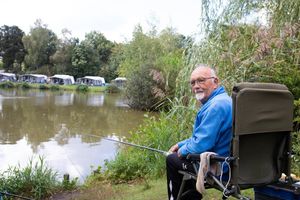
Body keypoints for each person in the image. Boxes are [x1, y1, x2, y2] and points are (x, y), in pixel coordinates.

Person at [166, 64, 232, 200]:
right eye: (193, 82)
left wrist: (181, 151)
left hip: (221, 168)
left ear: (215, 82)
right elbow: (203, 136)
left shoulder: (215, 106)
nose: (196, 86)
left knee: (172, 159)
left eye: (201, 80)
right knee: (184, 156)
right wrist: (181, 144)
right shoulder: (226, 100)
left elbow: (200, 145)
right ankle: (192, 195)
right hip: (234, 164)